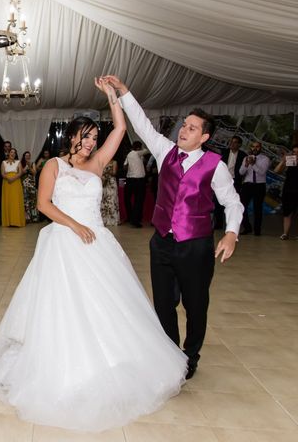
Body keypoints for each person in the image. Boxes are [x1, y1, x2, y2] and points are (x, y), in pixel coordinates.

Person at [0, 78, 187, 432]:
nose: (92, 143)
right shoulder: (54, 165)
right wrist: (74, 226)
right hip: (65, 242)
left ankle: (114, 362)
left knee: (110, 304)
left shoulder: (97, 163)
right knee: (66, 308)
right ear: (72, 136)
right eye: (86, 137)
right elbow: (43, 204)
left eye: (95, 138)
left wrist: (113, 98)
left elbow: (122, 127)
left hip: (98, 244)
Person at [106, 74, 243, 380]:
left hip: (196, 247)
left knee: (196, 305)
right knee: (164, 304)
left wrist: (232, 232)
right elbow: (142, 124)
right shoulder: (164, 151)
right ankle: (170, 355)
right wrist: (125, 91)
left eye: (192, 128)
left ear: (204, 137)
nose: (184, 130)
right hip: (162, 244)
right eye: (184, 125)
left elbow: (232, 203)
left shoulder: (215, 166)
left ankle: (190, 355)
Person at [214, 136, 247, 229]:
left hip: (235, 181)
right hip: (222, 179)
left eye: (235, 142)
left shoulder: (243, 155)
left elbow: (244, 170)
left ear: (239, 145)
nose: (232, 144)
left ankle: (232, 225)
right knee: (217, 203)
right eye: (231, 142)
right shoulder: (223, 152)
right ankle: (218, 224)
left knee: (233, 203)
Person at [239, 141, 270, 236]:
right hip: (247, 185)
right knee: (241, 207)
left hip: (259, 185)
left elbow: (262, 172)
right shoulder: (246, 158)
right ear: (250, 147)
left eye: (257, 147)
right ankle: (247, 227)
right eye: (253, 146)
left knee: (258, 209)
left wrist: (253, 164)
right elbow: (241, 172)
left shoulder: (265, 159)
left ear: (260, 148)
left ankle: (257, 230)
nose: (255, 148)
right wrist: (246, 164)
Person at [123, 140, 150, 227]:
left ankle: (131, 217)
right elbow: (147, 150)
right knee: (139, 201)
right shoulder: (137, 153)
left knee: (128, 200)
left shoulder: (129, 154)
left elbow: (124, 166)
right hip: (138, 180)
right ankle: (135, 220)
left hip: (130, 180)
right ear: (139, 148)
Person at [275, 144, 298, 240]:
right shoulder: (291, 161)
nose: (295, 154)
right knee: (287, 213)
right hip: (289, 190)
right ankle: (285, 233)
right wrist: (283, 161)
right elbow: (276, 170)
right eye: (294, 152)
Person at [0, 148, 26, 227]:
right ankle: (8, 221)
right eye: (11, 152)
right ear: (8, 153)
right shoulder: (3, 162)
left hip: (16, 183)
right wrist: (8, 178)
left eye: (14, 153)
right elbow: (2, 173)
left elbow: (20, 173)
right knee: (8, 201)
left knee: (16, 201)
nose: (13, 154)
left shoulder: (18, 162)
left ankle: (16, 221)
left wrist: (13, 178)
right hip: (7, 183)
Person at [20, 151, 39, 223]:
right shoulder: (21, 164)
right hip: (24, 184)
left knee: (33, 201)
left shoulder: (33, 163)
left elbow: (34, 172)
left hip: (31, 184)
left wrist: (29, 166)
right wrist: (26, 166)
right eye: (26, 155)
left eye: (28, 155)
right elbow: (21, 173)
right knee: (25, 201)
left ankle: (34, 218)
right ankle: (27, 218)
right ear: (24, 156)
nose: (27, 157)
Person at [101, 159, 120, 226]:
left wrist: (106, 172)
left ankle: (113, 220)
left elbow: (114, 173)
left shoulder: (114, 162)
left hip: (111, 182)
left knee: (112, 200)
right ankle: (105, 220)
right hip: (103, 182)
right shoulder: (102, 161)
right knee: (104, 200)